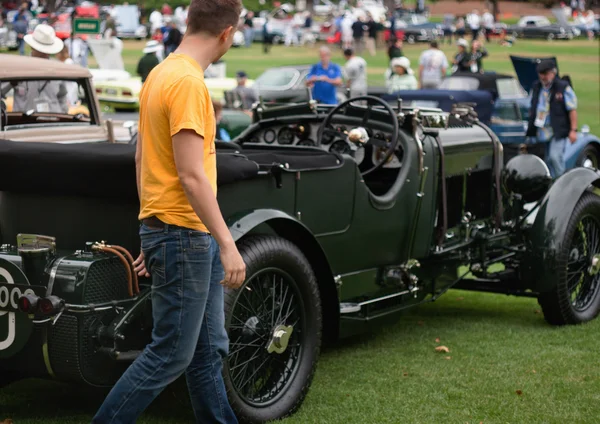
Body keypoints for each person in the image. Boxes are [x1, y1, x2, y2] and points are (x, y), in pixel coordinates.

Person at [91, 0, 246, 422]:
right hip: (185, 235)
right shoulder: (189, 83)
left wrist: (150, 223)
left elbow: (142, 156)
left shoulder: (160, 73)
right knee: (170, 355)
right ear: (226, 34)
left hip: (178, 231)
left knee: (206, 350)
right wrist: (228, 244)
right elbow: (192, 175)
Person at [525, 59, 578, 178]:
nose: (543, 77)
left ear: (553, 73)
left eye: (545, 73)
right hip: (541, 130)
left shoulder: (563, 87)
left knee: (555, 157)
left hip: (557, 130)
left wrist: (573, 130)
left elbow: (572, 110)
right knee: (546, 160)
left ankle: (562, 182)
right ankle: (550, 184)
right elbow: (531, 106)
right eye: (540, 74)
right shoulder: (536, 87)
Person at [1, 24, 68, 114]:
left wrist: (62, 116)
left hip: (52, 122)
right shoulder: (18, 68)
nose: (44, 53)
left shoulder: (58, 69)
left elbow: (62, 96)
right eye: (40, 50)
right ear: (32, 47)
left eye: (46, 51)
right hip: (25, 123)